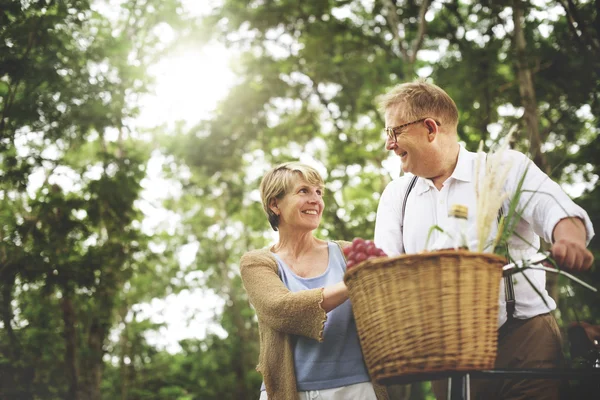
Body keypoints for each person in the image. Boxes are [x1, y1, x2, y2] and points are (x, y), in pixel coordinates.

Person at [373, 80, 595, 400]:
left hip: (524, 340)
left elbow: (555, 210)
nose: (389, 144)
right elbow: (384, 269)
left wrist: (570, 239)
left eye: (393, 132)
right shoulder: (397, 195)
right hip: (445, 354)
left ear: (431, 128)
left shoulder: (502, 167)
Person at [240, 162, 388, 400]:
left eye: (319, 192)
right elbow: (281, 310)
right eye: (303, 191)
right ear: (274, 204)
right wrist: (354, 282)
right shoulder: (257, 263)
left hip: (356, 389)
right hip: (287, 392)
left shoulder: (348, 253)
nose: (316, 200)